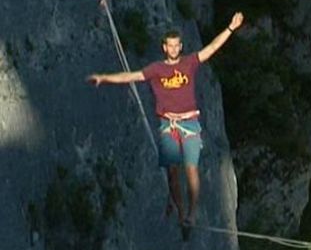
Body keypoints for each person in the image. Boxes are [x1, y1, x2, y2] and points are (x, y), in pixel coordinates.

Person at [87, 12, 244, 226]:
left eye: (176, 45)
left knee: (191, 169)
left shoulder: (189, 63)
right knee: (172, 175)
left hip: (189, 123)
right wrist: (104, 78)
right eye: (169, 46)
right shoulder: (156, 69)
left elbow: (212, 48)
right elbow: (130, 76)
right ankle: (182, 215)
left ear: (180, 47)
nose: (173, 49)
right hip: (168, 125)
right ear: (164, 48)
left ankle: (192, 213)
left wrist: (230, 28)